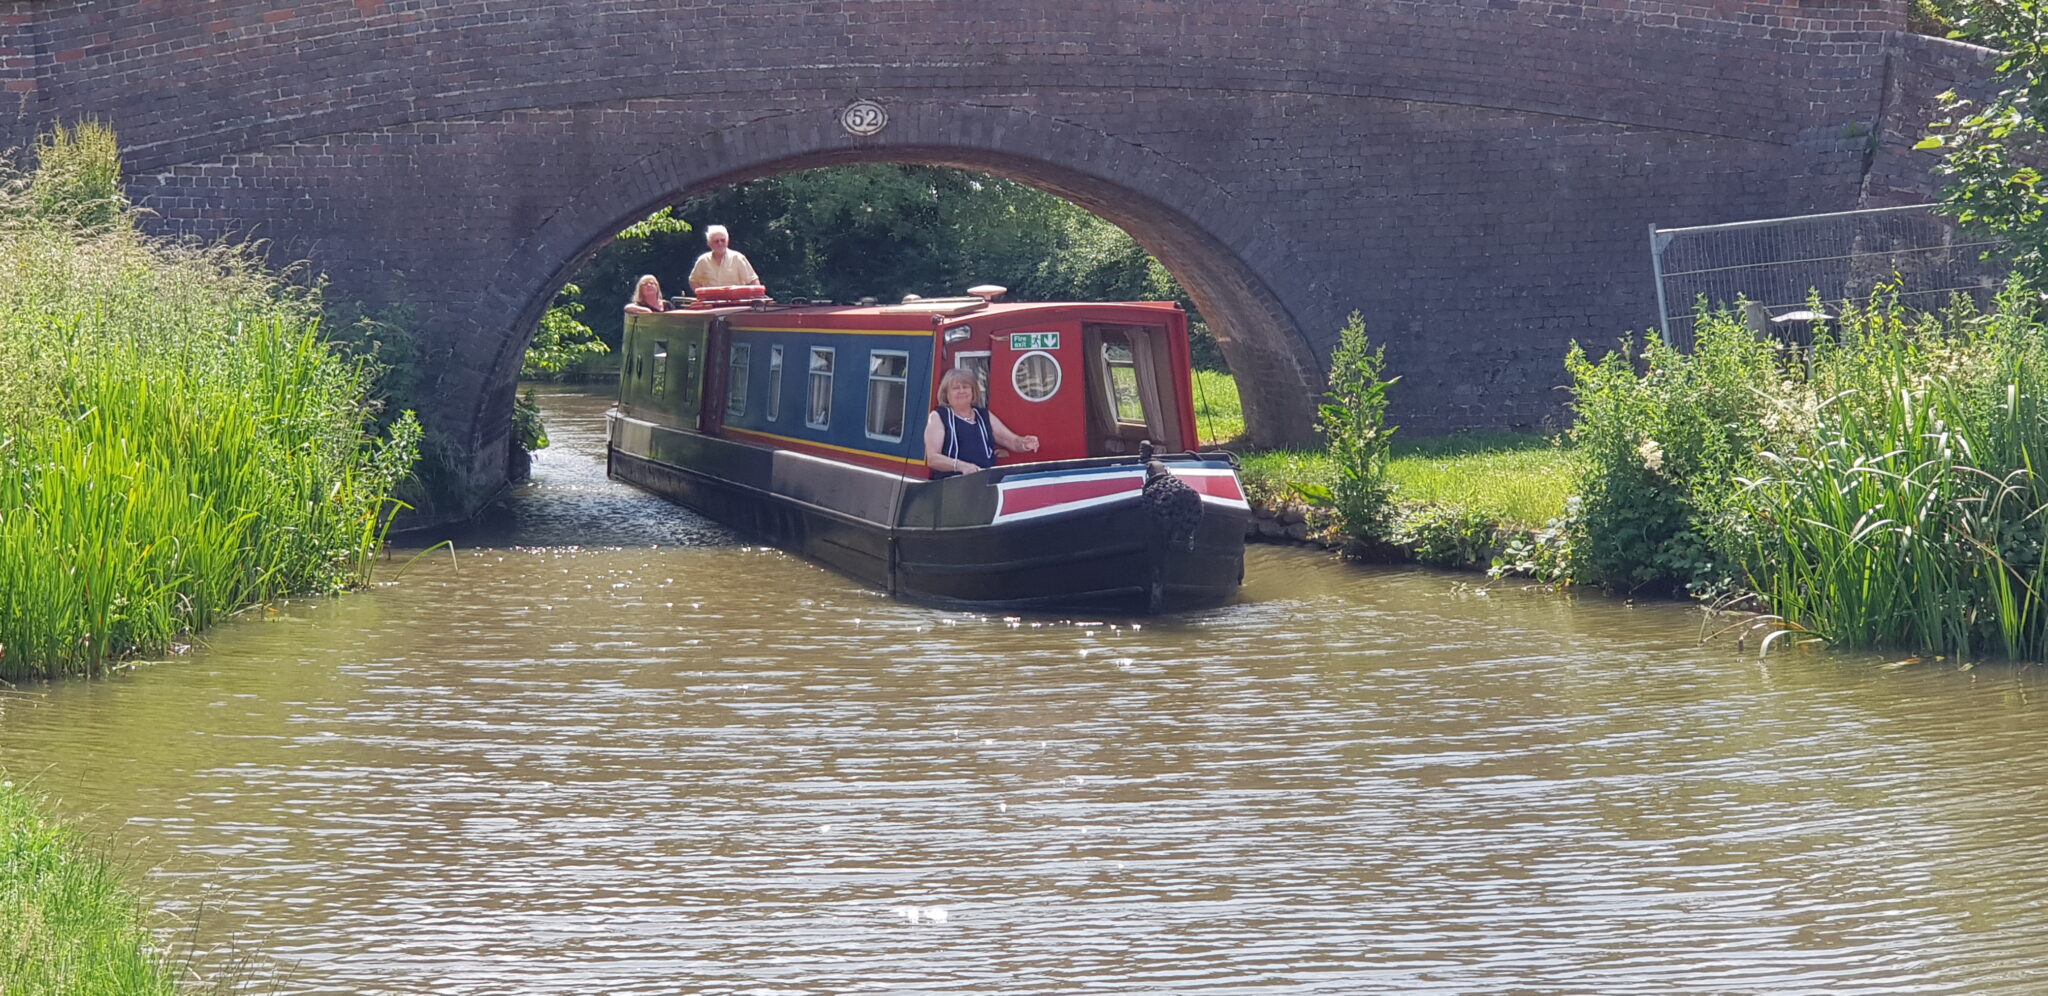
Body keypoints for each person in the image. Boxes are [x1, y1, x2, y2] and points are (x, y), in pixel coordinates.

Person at [925, 367, 1038, 478]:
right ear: (946, 393)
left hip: (985, 484)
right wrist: (962, 466)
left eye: (966, 387)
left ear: (973, 391)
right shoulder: (938, 417)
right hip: (951, 486)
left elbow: (1012, 441)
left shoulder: (984, 415)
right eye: (955, 388)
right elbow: (933, 459)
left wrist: (1025, 443)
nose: (961, 391)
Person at [688, 224, 762, 292]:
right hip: (711, 303)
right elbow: (693, 281)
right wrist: (702, 295)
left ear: (727, 241)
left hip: (736, 304)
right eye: (716, 241)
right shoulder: (703, 261)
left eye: (722, 240)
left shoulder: (738, 258)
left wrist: (756, 300)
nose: (720, 243)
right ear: (709, 244)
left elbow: (753, 281)